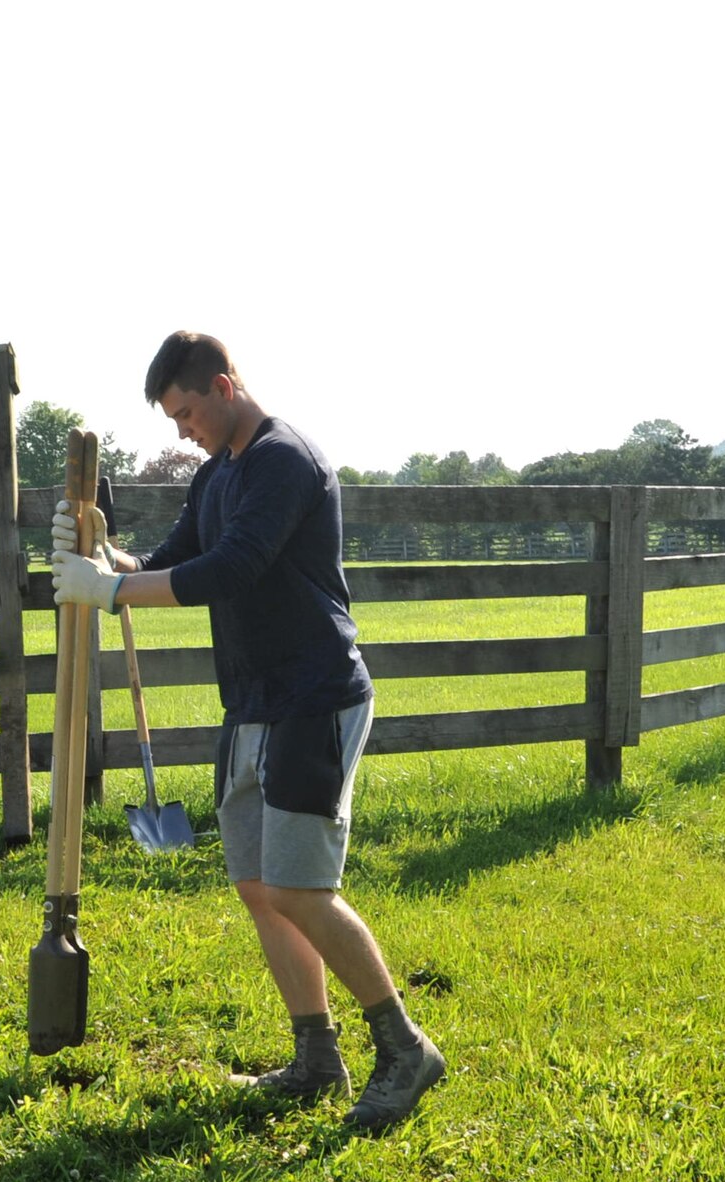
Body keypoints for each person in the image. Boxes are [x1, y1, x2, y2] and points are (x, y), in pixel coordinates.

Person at [50, 331, 445, 1130]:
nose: (182, 429)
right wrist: (102, 556)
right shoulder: (217, 474)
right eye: (173, 417)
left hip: (313, 697)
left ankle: (406, 1049)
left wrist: (111, 596)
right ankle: (316, 1057)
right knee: (261, 889)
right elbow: (171, 559)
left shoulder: (283, 460)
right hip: (253, 704)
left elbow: (231, 569)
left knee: (303, 889)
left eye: (188, 411)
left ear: (225, 386)